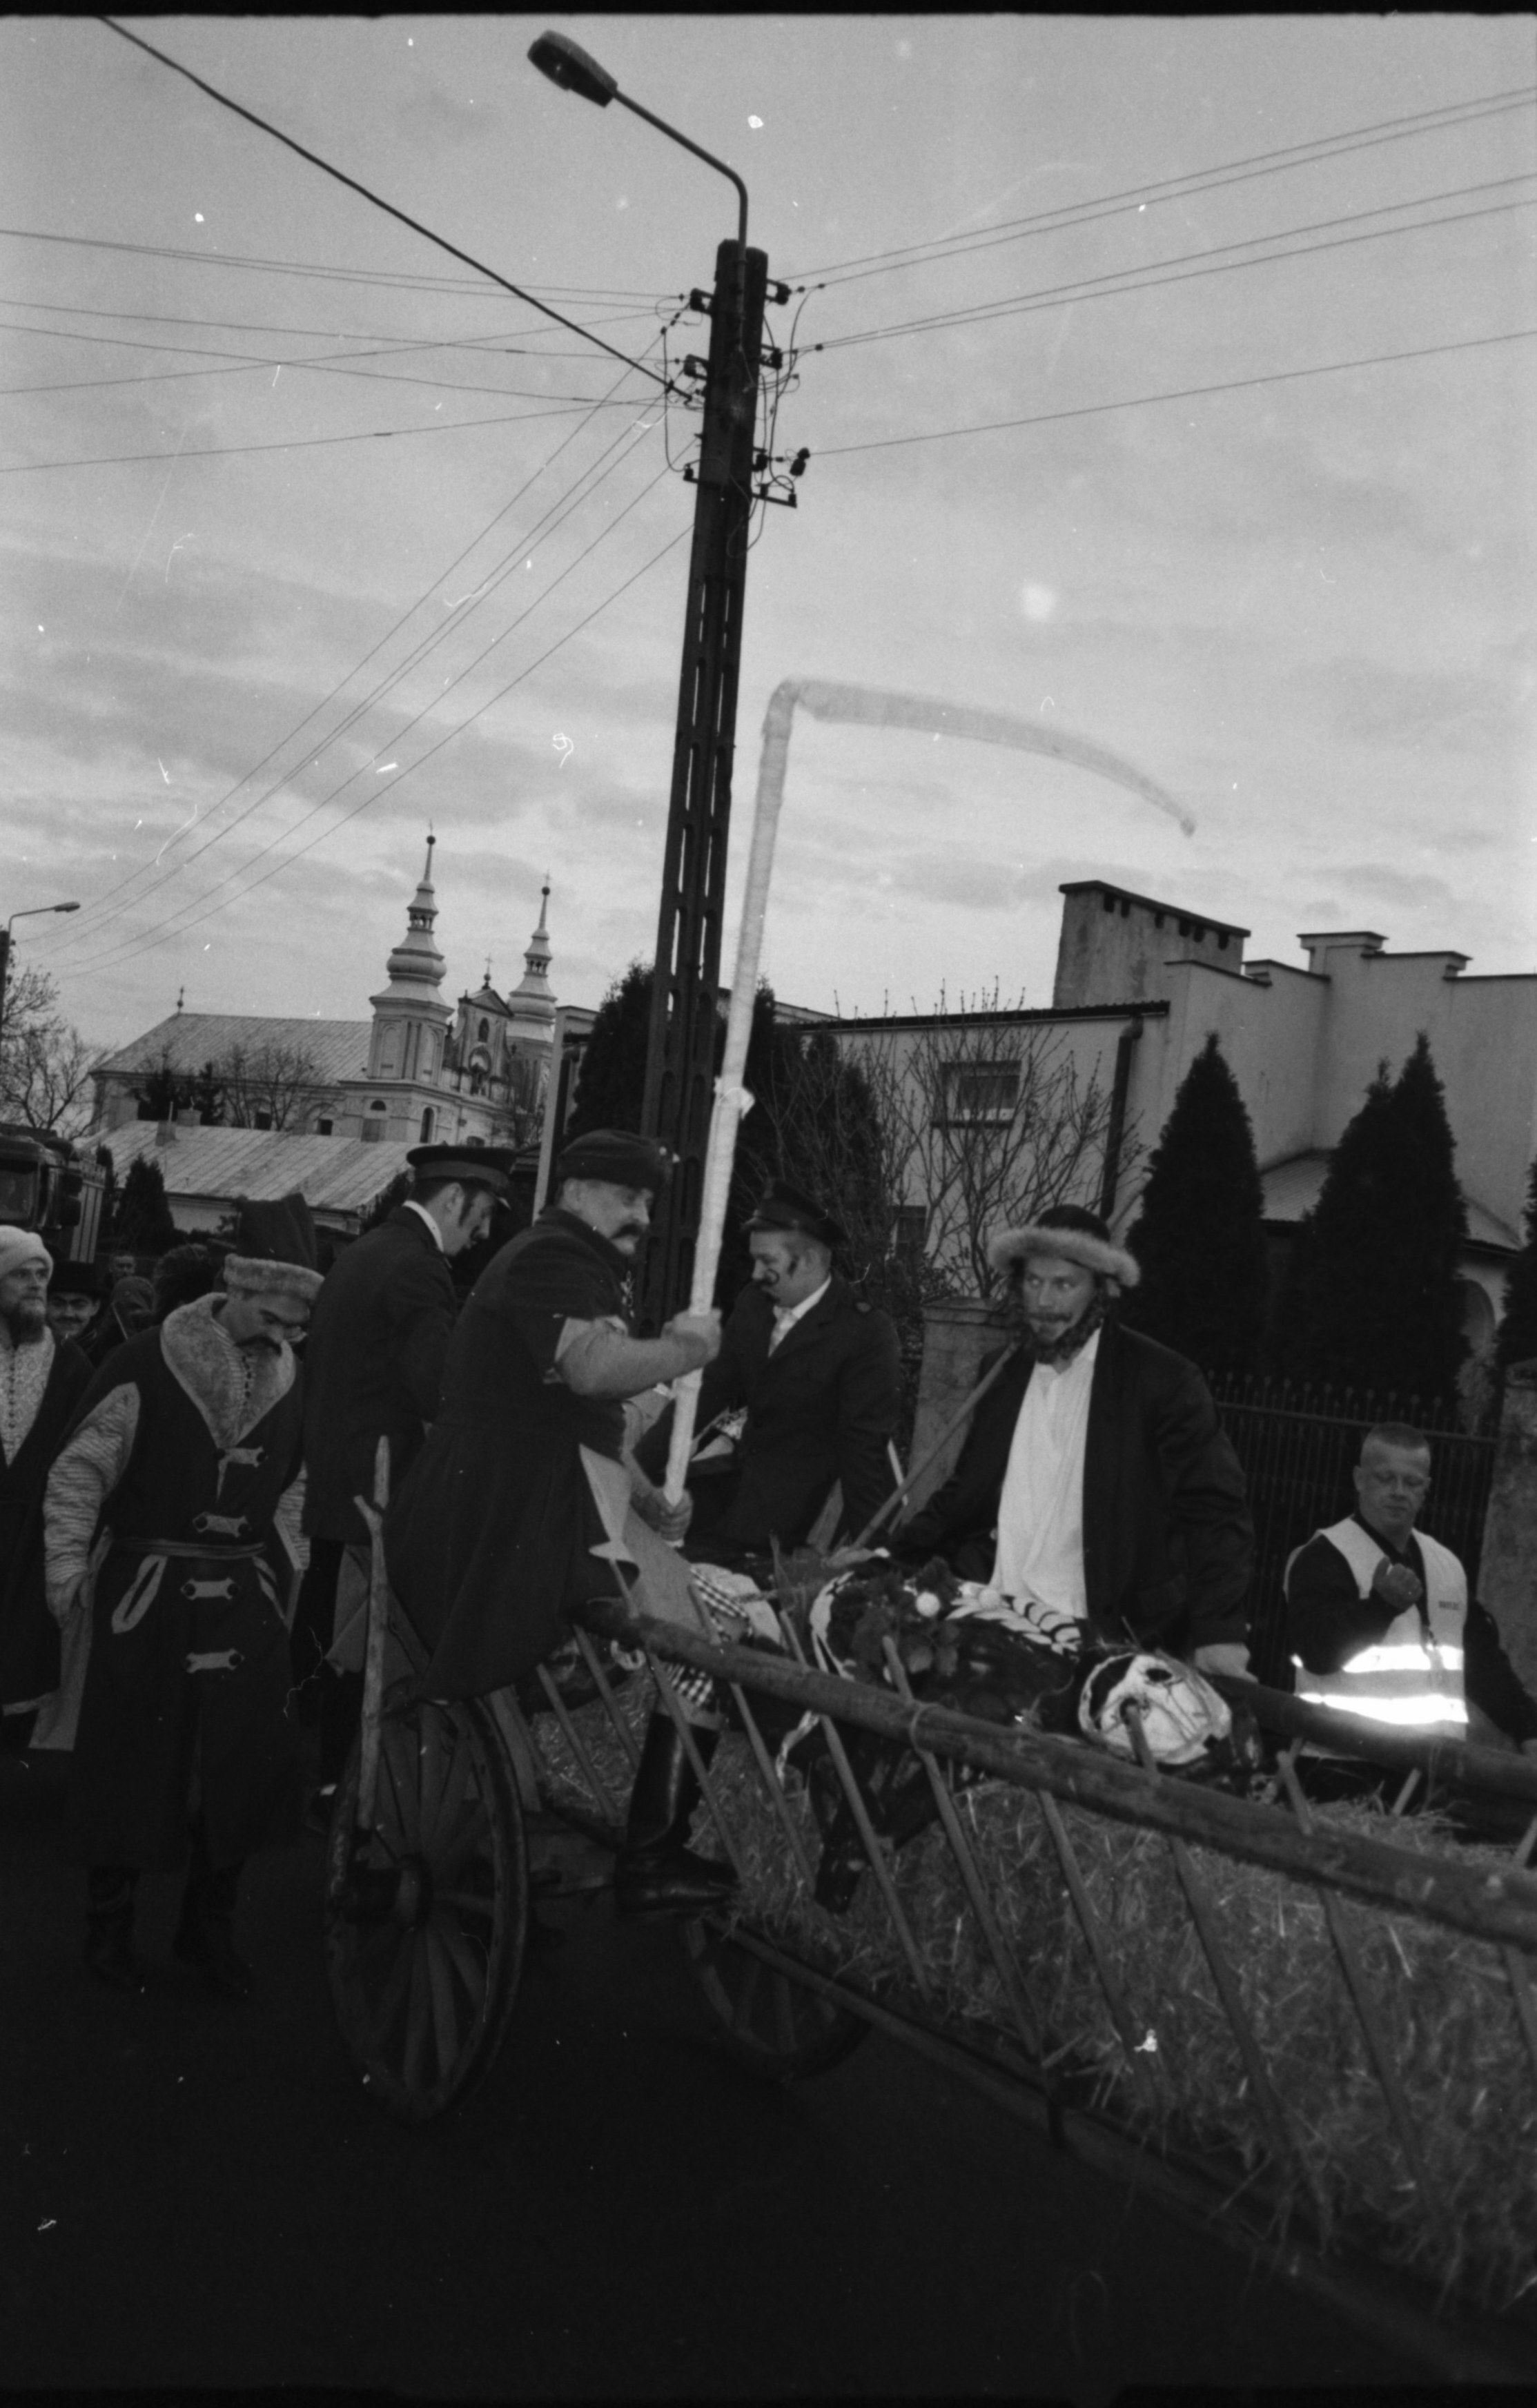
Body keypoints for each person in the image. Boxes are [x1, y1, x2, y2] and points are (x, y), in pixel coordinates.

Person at [385, 1128, 732, 1916]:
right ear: (574, 1191)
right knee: (701, 1636)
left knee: (691, 1630)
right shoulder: (552, 1257)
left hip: (538, 1490)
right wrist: (684, 1347)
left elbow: (582, 1419)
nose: (643, 1216)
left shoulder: (574, 1263)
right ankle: (651, 1856)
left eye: (648, 1201)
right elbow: (591, 1371)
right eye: (627, 1196)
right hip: (519, 1504)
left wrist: (645, 1497)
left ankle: (612, 1827)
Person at [43, 1196, 320, 1995]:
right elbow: (80, 1470)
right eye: (271, 1315)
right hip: (149, 1595)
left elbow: (295, 1488)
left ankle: (208, 1931)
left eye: (296, 1324)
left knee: (239, 1770)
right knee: (131, 1763)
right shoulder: (144, 1363)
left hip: (244, 1600)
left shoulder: (292, 1374)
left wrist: (284, 1574)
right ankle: (109, 1931)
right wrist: (67, 1570)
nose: (281, 1335)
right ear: (237, 1286)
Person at [899, 1204, 1254, 1678]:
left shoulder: (1160, 1381)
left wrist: (1219, 1633)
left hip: (1108, 1634)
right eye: (1033, 1281)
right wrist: (888, 1556)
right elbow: (966, 1491)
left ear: (1101, 1290)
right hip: (996, 1615)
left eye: (1064, 1284)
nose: (1043, 1301)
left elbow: (1213, 1510)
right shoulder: (1002, 1372)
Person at [293, 1144, 511, 1811]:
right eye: (481, 1215)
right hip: (381, 1495)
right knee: (368, 1650)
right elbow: (439, 1387)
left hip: (340, 1485)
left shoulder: (366, 1252)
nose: (482, 1233)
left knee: (340, 1644)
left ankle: (332, 1784)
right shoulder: (418, 1269)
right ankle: (351, 1796)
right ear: (453, 1198)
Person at [639, 1180, 901, 1558]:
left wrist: (872, 1554)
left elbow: (864, 1451)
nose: (755, 1274)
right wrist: (634, 1474)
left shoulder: (865, 1332)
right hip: (734, 1491)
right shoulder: (754, 1304)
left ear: (808, 1261)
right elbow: (705, 1395)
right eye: (754, 1261)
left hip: (798, 1522)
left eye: (768, 1263)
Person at [1286, 1422, 1537, 1767]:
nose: (1399, 1491)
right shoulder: (1324, 1556)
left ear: (1426, 1489)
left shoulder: (1445, 1564)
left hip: (1434, 1770)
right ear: (1359, 1479)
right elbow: (1315, 1651)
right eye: (1385, 1478)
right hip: (1343, 1765)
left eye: (1412, 1482)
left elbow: (1482, 1662)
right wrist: (1379, 1608)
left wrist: (1528, 1728)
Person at [0, 1232, 92, 1744]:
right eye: (21, 1274)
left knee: (19, 1677)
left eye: (41, 1275)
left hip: (33, 1545)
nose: (36, 1285)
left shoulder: (71, 1363)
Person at [44, 1264, 101, 1349]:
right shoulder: (28, 1347)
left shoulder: (111, 1353)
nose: (68, 1314)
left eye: (79, 1306)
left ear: (95, 1307)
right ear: (45, 1305)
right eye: (58, 1304)